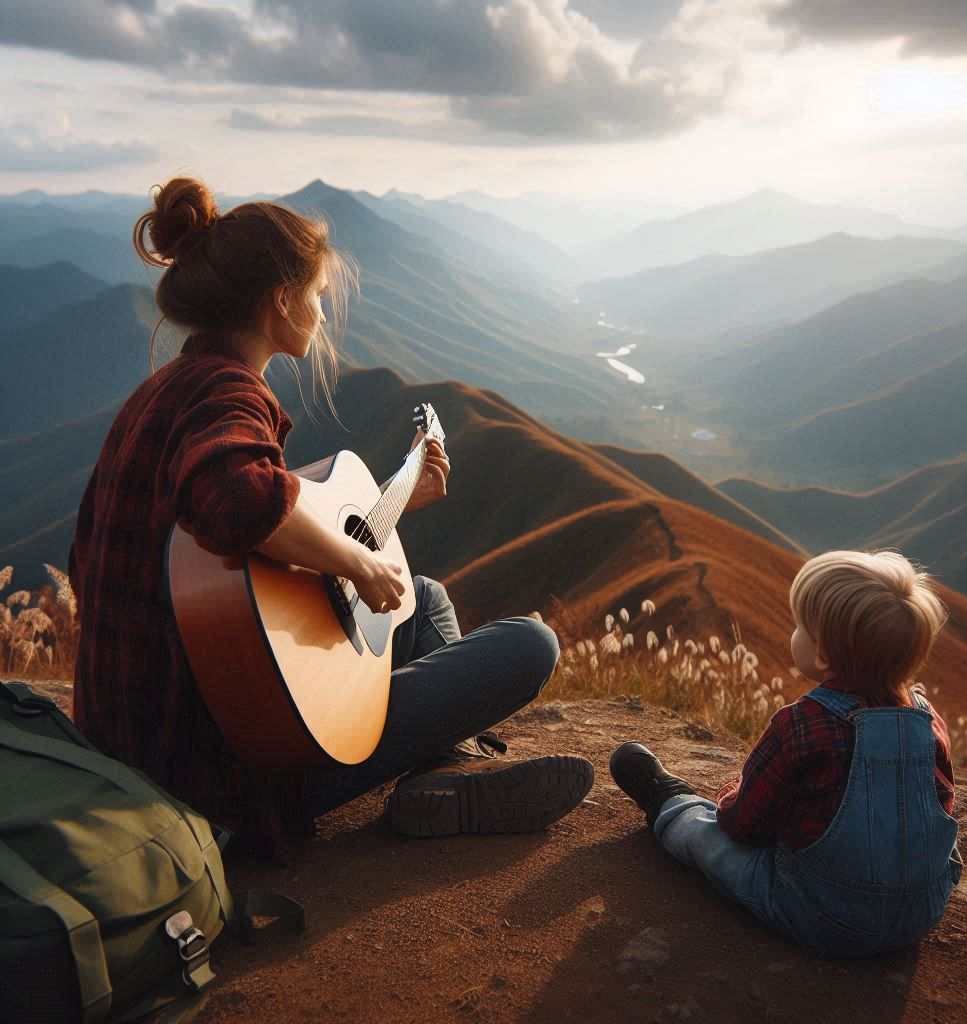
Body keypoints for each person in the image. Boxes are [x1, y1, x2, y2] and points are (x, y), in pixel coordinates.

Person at [69, 176, 593, 859]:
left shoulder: (162, 393)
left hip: (141, 745)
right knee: (531, 645)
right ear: (280, 301)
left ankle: (445, 769)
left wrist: (394, 505)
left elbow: (185, 558)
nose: (320, 311)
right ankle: (446, 766)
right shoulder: (229, 393)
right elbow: (236, 502)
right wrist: (352, 559)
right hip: (226, 779)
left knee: (422, 596)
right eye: (315, 296)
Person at [609, 549, 961, 958]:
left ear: (824, 655)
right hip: (921, 912)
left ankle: (668, 802)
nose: (792, 633)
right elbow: (940, 806)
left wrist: (728, 799)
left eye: (800, 627)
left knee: (708, 836)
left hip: (821, 913)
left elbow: (741, 824)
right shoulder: (928, 720)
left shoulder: (803, 724)